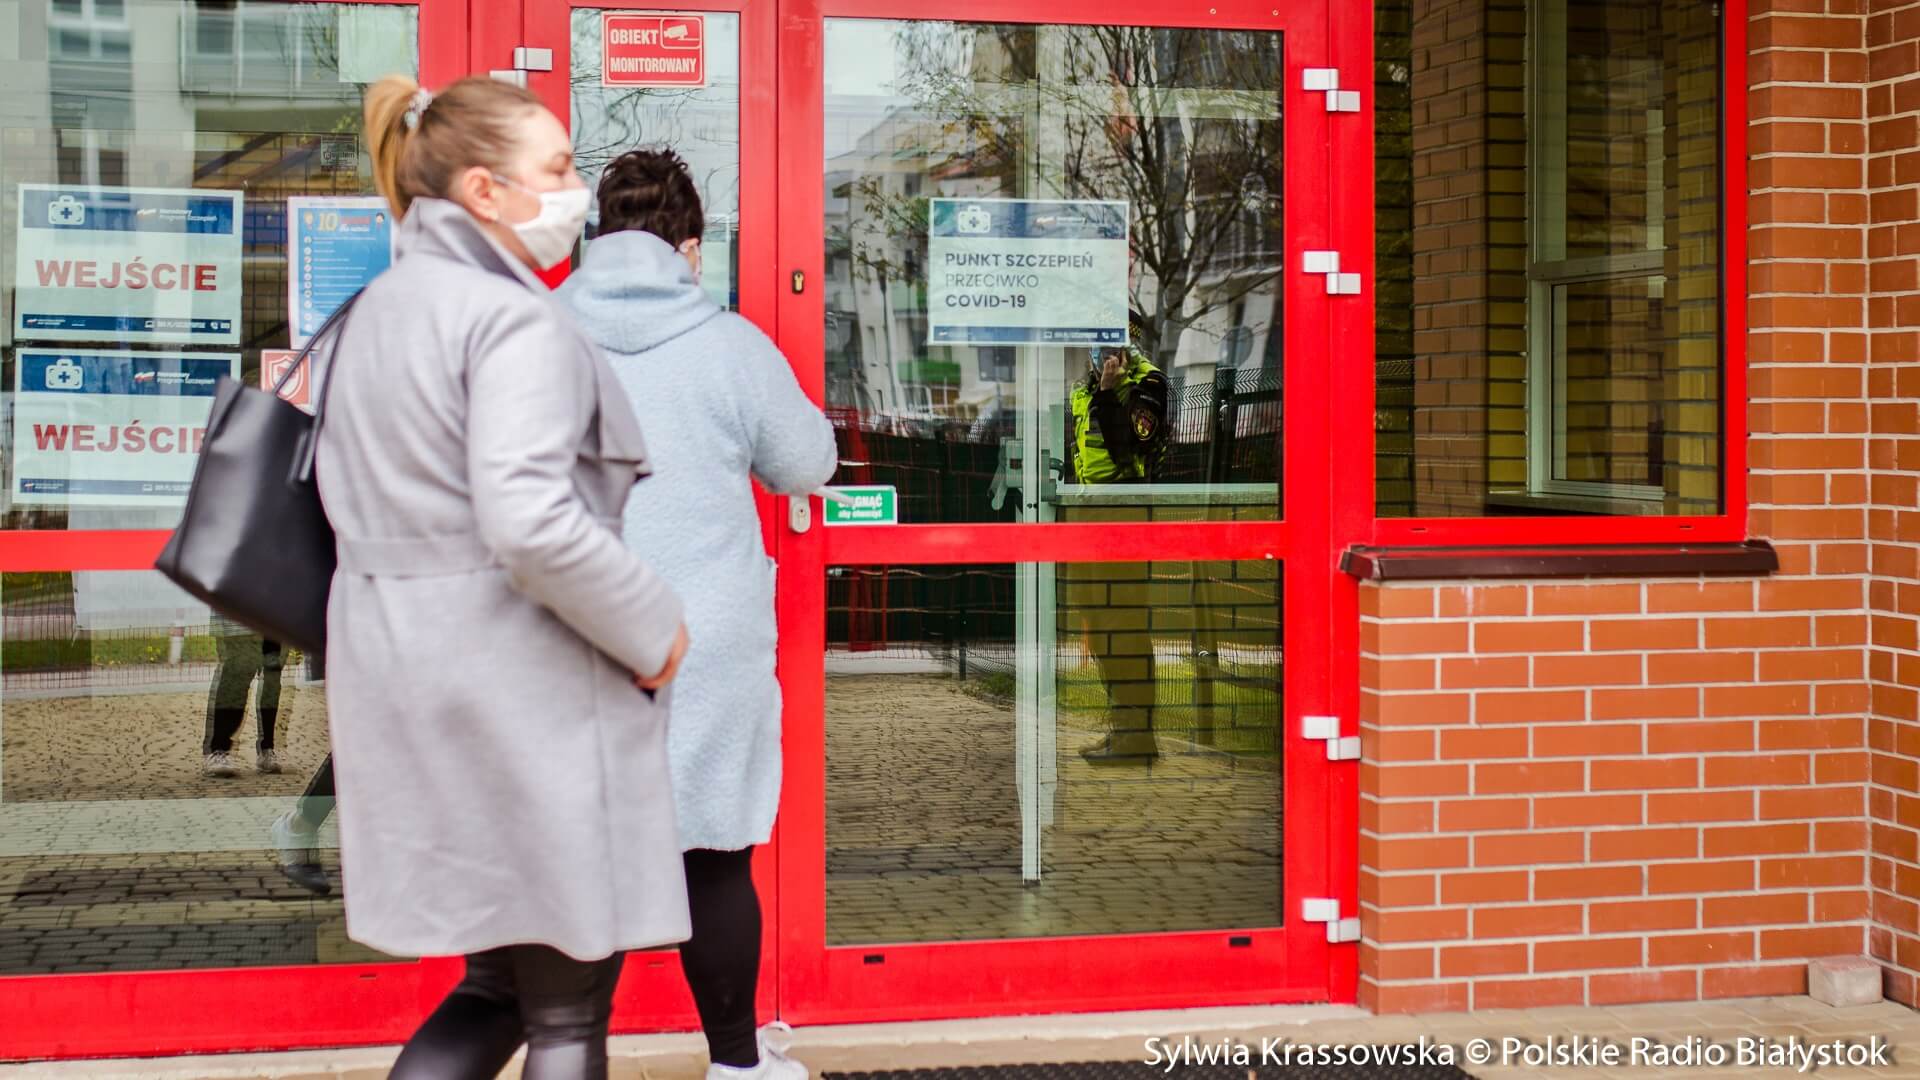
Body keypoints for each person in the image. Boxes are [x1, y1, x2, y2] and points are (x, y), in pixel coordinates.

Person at [318, 76, 693, 1080]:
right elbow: (530, 521)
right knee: (567, 1009)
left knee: (495, 987)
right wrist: (654, 627)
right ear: (484, 190)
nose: (577, 190)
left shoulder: (380, 308)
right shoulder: (509, 319)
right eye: (558, 168)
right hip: (524, 690)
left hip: (408, 674)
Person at [559, 148, 836, 1080]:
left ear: (600, 236)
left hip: (576, 632)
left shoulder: (540, 337)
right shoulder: (730, 344)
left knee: (584, 862)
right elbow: (806, 465)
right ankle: (737, 1067)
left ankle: (569, 1061)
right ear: (688, 248)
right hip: (703, 639)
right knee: (714, 857)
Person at [1065, 312, 1169, 764]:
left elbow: (1130, 448)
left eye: (1108, 344)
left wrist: (1111, 392)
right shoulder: (1083, 389)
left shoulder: (1148, 386)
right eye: (1095, 343)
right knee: (1099, 625)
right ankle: (1122, 728)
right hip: (1089, 514)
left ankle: (1138, 736)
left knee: (1124, 625)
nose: (1100, 354)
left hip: (1125, 509)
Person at [201, 616, 286, 778]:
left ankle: (267, 749)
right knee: (236, 678)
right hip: (239, 619)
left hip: (273, 618)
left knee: (272, 681)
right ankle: (218, 750)